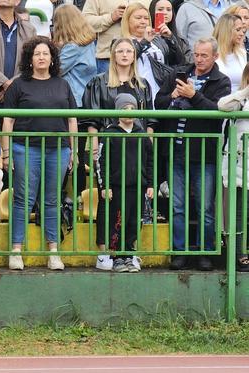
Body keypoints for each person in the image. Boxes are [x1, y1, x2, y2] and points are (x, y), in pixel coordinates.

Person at [0, 36, 77, 271]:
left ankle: (54, 251)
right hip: (25, 148)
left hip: (59, 149)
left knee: (52, 200)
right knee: (24, 199)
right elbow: (8, 121)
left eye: (46, 53)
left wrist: (73, 151)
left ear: (52, 58)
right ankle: (16, 250)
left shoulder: (62, 84)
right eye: (37, 54)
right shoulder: (18, 85)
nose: (42, 57)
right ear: (30, 59)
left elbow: (72, 119)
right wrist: (5, 152)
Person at [154, 37, 231, 271]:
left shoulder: (222, 81)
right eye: (196, 54)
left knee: (205, 207)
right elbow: (159, 102)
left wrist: (192, 96)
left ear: (215, 56)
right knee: (177, 206)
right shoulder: (179, 73)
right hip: (176, 150)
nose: (198, 59)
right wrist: (174, 97)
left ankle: (205, 253)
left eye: (204, 55)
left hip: (204, 154)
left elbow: (217, 112)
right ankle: (179, 252)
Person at [81, 38, 156, 271]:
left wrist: (149, 142)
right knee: (108, 201)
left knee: (135, 205)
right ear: (112, 55)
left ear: (135, 55)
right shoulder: (99, 82)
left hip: (136, 149)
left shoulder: (142, 85)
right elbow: (91, 116)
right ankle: (105, 252)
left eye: (129, 51)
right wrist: (94, 143)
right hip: (108, 146)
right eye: (120, 51)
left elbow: (150, 119)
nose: (124, 54)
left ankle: (128, 251)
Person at [96, 94, 154, 273]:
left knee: (133, 222)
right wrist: (105, 185)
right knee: (117, 222)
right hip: (118, 187)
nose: (128, 113)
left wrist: (150, 183)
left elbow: (150, 161)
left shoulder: (142, 135)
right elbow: (102, 161)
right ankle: (116, 256)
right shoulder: (109, 133)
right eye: (124, 109)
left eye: (132, 109)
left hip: (137, 187)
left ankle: (129, 254)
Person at [52, 4, 97, 198]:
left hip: (72, 101)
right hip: (85, 101)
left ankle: (69, 193)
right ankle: (79, 194)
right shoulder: (88, 43)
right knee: (78, 150)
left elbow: (55, 69)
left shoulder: (72, 47)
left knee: (71, 150)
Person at [218, 63, 249, 272]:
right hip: (239, 164)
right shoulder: (241, 99)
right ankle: (240, 254)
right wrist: (245, 91)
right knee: (237, 213)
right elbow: (222, 106)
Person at [121, 2, 181, 102]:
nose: (143, 21)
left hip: (159, 89)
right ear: (127, 20)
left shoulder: (157, 40)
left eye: (146, 18)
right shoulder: (121, 42)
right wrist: (145, 42)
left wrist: (170, 39)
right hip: (134, 90)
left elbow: (178, 61)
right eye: (138, 18)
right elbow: (127, 58)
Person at [82, 0, 151, 74]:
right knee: (110, 85)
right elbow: (84, 23)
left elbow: (154, 18)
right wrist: (111, 17)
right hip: (109, 58)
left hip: (145, 57)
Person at [148, 0, 193, 66]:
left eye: (169, 10)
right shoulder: (146, 37)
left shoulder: (180, 39)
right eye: (160, 9)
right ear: (152, 11)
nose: (165, 13)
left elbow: (186, 62)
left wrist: (171, 38)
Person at [212, 13, 247, 93]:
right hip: (219, 102)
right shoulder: (212, 55)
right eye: (238, 30)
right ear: (226, 31)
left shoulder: (242, 53)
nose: (242, 34)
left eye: (243, 30)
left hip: (240, 102)